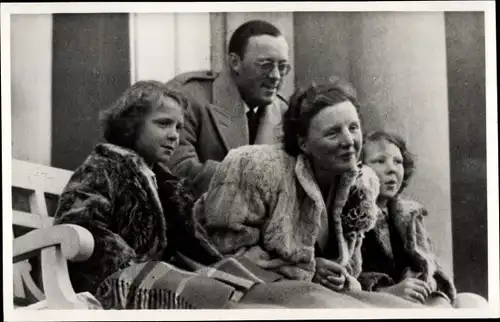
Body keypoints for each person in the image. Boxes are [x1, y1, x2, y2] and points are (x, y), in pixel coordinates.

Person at [52, 80, 287, 309]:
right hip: (113, 280)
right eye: (163, 124)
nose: (174, 135)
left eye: (178, 127)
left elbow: (191, 244)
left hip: (157, 276)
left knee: (251, 287)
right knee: (217, 299)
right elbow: (81, 223)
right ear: (130, 125)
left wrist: (214, 266)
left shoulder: (164, 182)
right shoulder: (103, 167)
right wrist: (132, 264)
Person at [192, 79, 424, 308]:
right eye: (333, 133)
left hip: (314, 293)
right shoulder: (255, 166)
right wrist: (308, 268)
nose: (349, 141)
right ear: (303, 143)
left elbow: (351, 268)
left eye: (353, 127)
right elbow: (227, 252)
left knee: (405, 310)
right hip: (240, 288)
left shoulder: (361, 183)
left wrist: (340, 276)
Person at [358, 130, 489, 308]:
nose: (392, 169)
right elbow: (352, 277)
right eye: (380, 161)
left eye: (398, 161)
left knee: (474, 303)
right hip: (378, 303)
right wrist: (389, 291)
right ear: (360, 168)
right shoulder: (354, 216)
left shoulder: (409, 215)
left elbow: (428, 263)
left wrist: (428, 281)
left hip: (416, 297)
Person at [166, 20, 290, 198]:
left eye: (283, 67)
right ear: (235, 62)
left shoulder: (283, 110)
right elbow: (180, 170)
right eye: (265, 65)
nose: (276, 76)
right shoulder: (189, 98)